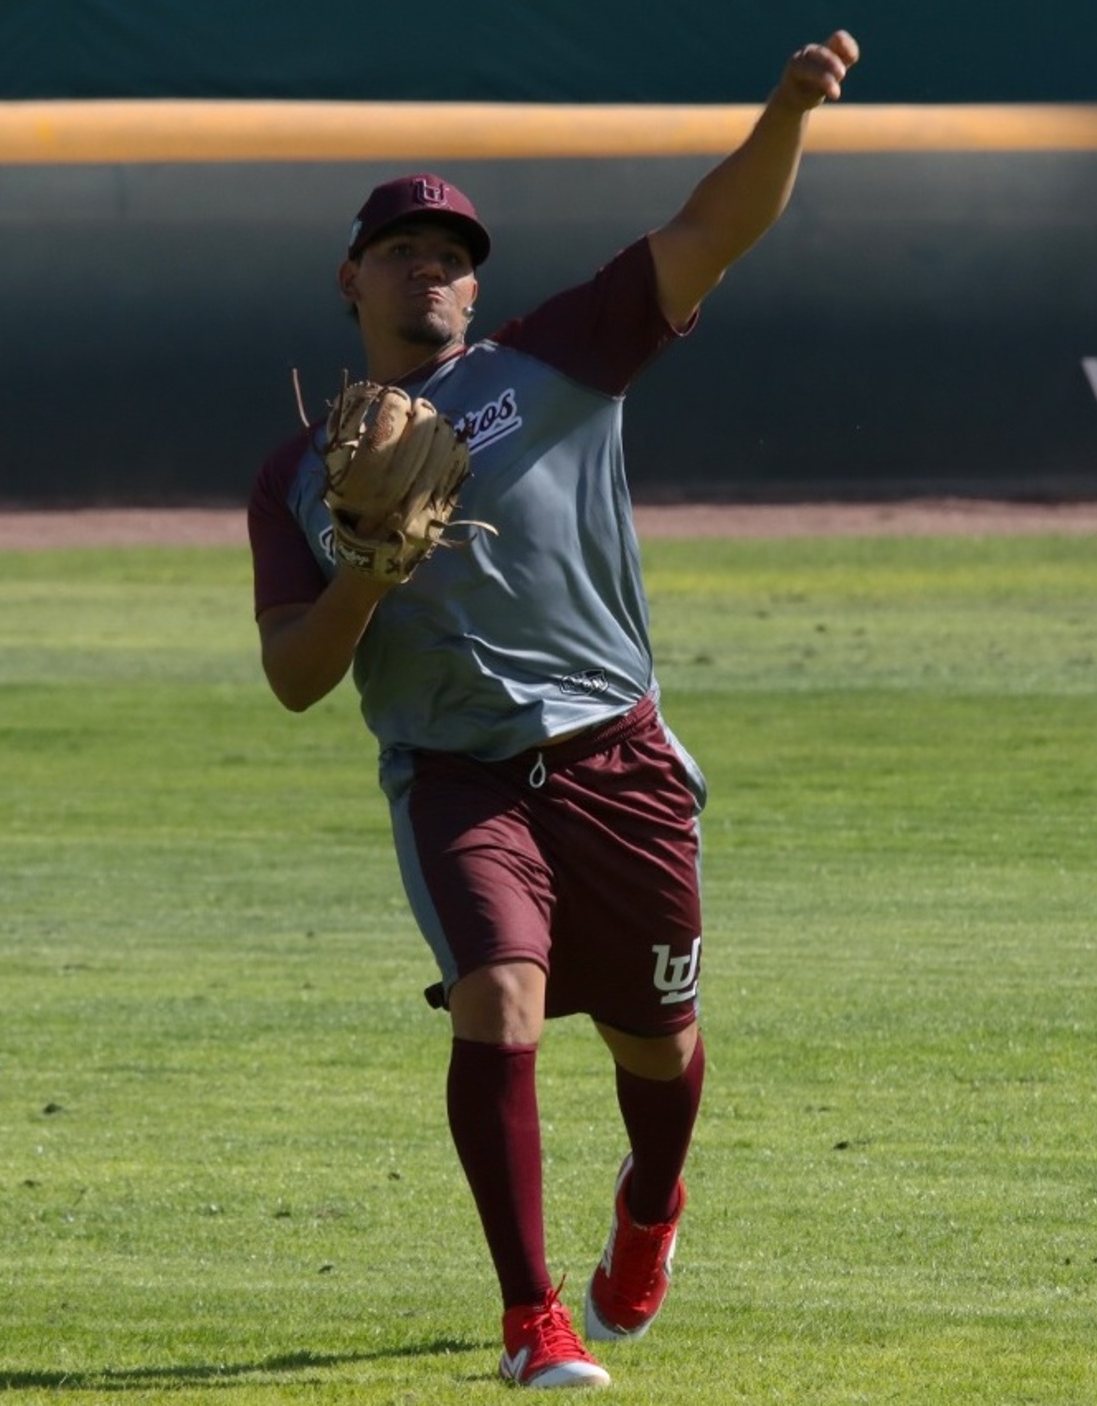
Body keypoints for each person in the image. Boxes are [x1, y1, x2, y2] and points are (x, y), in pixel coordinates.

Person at [247, 30, 859, 1390]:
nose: (435, 267)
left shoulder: (555, 359)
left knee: (665, 1049)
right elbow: (297, 676)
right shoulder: (298, 469)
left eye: (455, 250)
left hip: (618, 757)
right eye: (405, 249)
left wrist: (785, 114)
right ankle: (534, 1319)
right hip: (459, 777)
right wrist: (363, 572)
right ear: (352, 279)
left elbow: (717, 226)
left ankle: (650, 1206)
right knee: (500, 998)